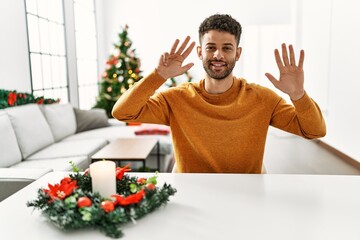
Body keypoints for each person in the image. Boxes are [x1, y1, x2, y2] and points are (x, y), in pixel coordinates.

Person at [112, 14, 326, 173]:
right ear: (199, 52)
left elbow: (314, 131)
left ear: (238, 53)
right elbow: (122, 113)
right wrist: (158, 75)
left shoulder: (262, 99)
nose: (218, 55)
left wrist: (298, 94)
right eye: (211, 47)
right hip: (192, 192)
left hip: (247, 192)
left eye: (227, 48)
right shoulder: (176, 98)